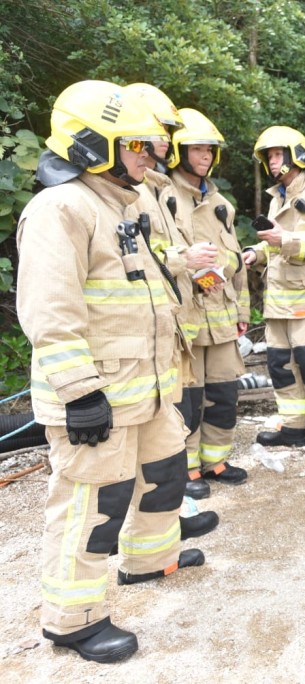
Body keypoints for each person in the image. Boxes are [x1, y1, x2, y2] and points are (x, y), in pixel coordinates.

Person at [17, 80, 204, 664]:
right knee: (92, 505)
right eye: (138, 146)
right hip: (99, 394)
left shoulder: (120, 203)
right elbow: (50, 311)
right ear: (94, 144)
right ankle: (72, 620)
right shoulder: (61, 209)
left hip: (146, 389)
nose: (151, 157)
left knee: (164, 474)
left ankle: (150, 560)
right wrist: (79, 394)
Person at [123, 84, 220, 539]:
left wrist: (196, 267)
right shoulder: (133, 191)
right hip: (146, 333)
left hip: (172, 324)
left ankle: (169, 521)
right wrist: (185, 259)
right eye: (159, 129)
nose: (165, 138)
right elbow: (143, 260)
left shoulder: (154, 187)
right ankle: (156, 528)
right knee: (151, 436)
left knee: (170, 428)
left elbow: (161, 252)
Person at [245, 126, 305, 455]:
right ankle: (293, 428)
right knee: (280, 365)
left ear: (296, 156)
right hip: (279, 303)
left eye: (278, 155)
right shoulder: (279, 198)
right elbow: (276, 245)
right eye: (269, 156)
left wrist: (284, 240)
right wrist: (256, 253)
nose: (272, 161)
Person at [167, 108, 250, 490]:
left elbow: (237, 260)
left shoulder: (220, 202)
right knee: (188, 397)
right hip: (187, 316)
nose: (205, 156)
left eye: (209, 150)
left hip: (222, 314)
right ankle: (186, 468)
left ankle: (215, 461)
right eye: (197, 149)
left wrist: (242, 310)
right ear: (178, 152)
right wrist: (190, 265)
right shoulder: (163, 196)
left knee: (223, 393)